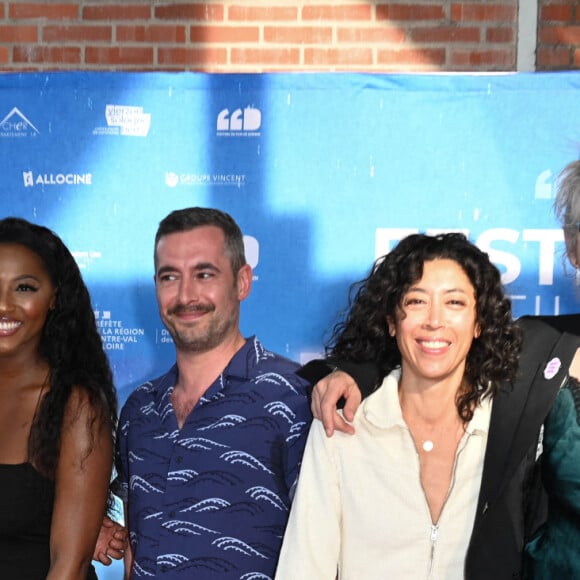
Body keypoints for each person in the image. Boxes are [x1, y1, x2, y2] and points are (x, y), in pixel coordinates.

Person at [275, 233, 580, 580]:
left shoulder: (509, 424)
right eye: (416, 301)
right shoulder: (343, 421)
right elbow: (304, 566)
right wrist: (351, 374)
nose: (434, 320)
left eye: (454, 303)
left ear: (479, 322)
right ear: (391, 320)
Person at [113, 207, 312, 579]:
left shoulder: (295, 396)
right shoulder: (138, 411)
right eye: (169, 276)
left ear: (242, 282)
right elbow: (133, 553)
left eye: (204, 274)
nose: (186, 295)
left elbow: (328, 546)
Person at [0, 217, 118, 579]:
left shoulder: (75, 405)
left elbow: (70, 564)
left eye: (24, 288)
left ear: (54, 297)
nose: (5, 306)